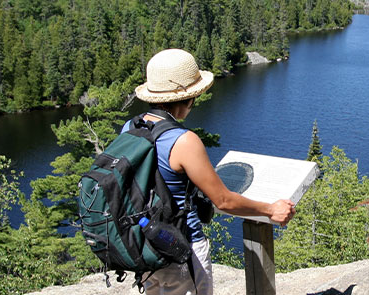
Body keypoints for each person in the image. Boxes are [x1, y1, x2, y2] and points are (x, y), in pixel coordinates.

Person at [127, 48, 296, 295]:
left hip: (144, 244)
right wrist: (271, 210)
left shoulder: (131, 127)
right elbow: (223, 200)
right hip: (182, 248)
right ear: (189, 98)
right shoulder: (183, 140)